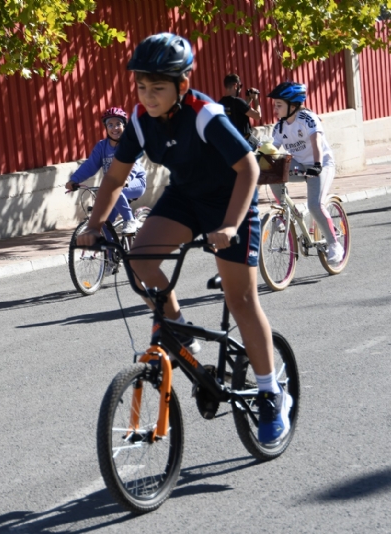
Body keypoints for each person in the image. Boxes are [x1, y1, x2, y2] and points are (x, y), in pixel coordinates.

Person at [76, 33, 291, 446]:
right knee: (139, 260)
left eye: (158, 88)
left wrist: (229, 226)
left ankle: (269, 392)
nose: (148, 96)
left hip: (231, 202)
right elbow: (115, 178)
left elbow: (248, 169)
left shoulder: (206, 114)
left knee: (241, 300)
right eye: (142, 87)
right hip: (186, 197)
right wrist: (94, 226)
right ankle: (178, 328)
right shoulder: (139, 120)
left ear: (182, 85)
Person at [266, 81, 344, 264]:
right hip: (300, 164)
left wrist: (316, 165)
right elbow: (272, 150)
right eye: (275, 105)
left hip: (321, 164)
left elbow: (316, 142)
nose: (275, 110)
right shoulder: (280, 127)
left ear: (292, 106)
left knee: (315, 206)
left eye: (279, 105)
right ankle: (284, 212)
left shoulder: (307, 118)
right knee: (272, 170)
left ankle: (335, 245)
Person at [66, 107, 147, 235]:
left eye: (118, 124)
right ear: (106, 128)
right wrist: (74, 179)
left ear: (124, 126)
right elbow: (90, 165)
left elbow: (133, 164)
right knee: (105, 223)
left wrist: (127, 178)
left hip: (135, 183)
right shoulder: (102, 147)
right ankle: (111, 254)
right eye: (110, 124)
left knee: (115, 188)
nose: (114, 128)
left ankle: (130, 220)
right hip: (112, 187)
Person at [219, 73, 261, 149]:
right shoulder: (238, 102)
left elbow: (238, 111)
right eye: (240, 86)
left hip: (229, 143)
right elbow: (257, 116)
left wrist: (248, 101)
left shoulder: (220, 103)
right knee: (265, 151)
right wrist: (256, 99)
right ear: (235, 86)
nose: (240, 89)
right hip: (244, 142)